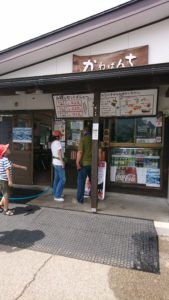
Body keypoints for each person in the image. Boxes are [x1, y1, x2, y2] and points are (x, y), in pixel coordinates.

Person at [75, 126, 101, 204]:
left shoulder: (83, 139)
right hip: (93, 164)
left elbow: (80, 152)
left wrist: (77, 162)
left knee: (81, 182)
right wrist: (98, 161)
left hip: (84, 164)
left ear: (84, 132)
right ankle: (94, 198)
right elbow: (99, 151)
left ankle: (80, 200)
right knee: (93, 182)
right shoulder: (96, 139)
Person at [0, 144, 27, 216]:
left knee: (6, 194)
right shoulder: (5, 160)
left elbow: (12, 164)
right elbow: (7, 170)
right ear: (4, 152)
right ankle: (6, 210)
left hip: (1, 180)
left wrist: (22, 167)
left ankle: (0, 205)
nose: (9, 149)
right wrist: (10, 180)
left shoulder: (3, 159)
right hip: (5, 180)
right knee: (6, 196)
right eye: (7, 149)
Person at [51, 130, 66, 202]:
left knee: (56, 179)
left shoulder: (53, 143)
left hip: (54, 162)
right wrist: (62, 162)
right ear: (57, 136)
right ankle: (57, 196)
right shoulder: (57, 142)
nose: (61, 137)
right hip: (58, 162)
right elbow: (59, 153)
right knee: (63, 179)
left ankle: (55, 193)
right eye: (60, 135)